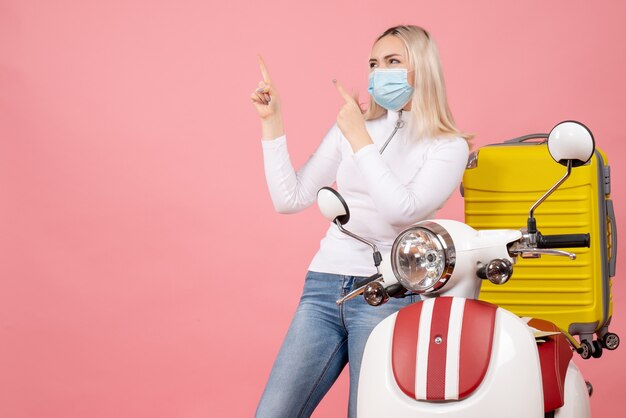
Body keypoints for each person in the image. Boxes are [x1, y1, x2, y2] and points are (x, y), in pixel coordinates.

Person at [251, 25, 471, 418]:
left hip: (388, 294)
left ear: (420, 70)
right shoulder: (355, 127)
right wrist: (273, 121)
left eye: (392, 62)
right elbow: (290, 198)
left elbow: (401, 211)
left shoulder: (447, 146)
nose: (378, 72)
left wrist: (359, 140)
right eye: (373, 63)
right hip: (323, 288)